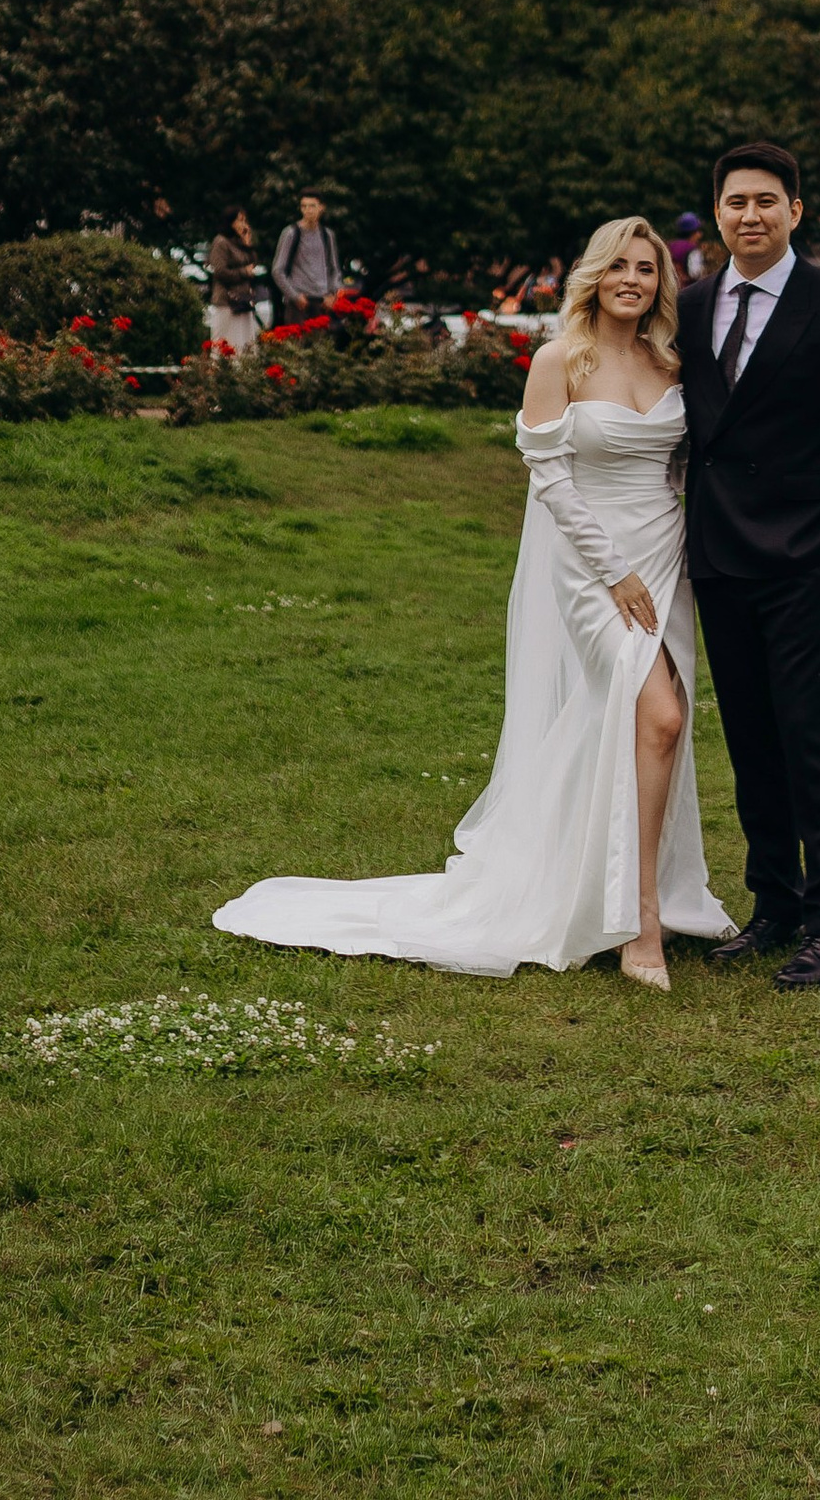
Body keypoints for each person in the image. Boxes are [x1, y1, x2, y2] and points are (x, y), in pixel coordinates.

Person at [213, 216, 727, 981]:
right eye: (619, 264)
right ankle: (639, 921)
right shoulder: (562, 359)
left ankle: (598, 881)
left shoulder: (670, 361)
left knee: (629, 728)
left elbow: (681, 465)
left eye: (647, 269)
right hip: (597, 571)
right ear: (594, 273)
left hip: (664, 560)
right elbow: (549, 476)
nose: (633, 279)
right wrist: (614, 570)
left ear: (662, 281)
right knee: (659, 714)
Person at [678, 138, 820, 993]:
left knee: (815, 743)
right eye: (736, 201)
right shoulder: (693, 304)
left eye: (766, 201)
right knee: (751, 742)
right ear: (719, 213)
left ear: (794, 212)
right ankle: (773, 903)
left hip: (807, 559)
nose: (750, 215)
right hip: (720, 559)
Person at [270, 191, 340, 324]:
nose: (308, 210)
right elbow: (278, 270)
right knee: (298, 343)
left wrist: (332, 294)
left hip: (322, 300)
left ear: (321, 207)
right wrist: (294, 296)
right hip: (299, 301)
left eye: (312, 206)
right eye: (304, 206)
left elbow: (334, 268)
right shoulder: (291, 233)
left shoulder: (327, 235)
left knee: (322, 343)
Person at [206, 210, 262, 353]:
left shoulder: (238, 242)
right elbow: (220, 271)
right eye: (239, 220)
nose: (243, 225)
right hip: (227, 301)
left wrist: (247, 244)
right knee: (224, 344)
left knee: (245, 344)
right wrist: (244, 272)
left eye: (245, 220)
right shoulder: (221, 242)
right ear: (230, 222)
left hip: (243, 301)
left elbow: (253, 263)